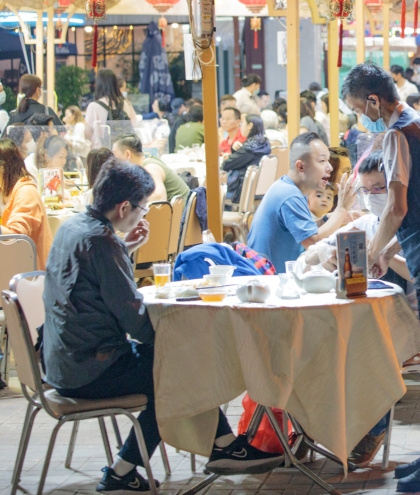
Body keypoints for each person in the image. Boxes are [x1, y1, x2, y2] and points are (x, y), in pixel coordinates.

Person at [43, 159, 283, 493]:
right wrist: (181, 337)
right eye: (142, 208)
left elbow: (93, 284)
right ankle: (123, 471)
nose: (143, 215)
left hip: (60, 362)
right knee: (178, 369)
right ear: (124, 205)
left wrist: (125, 249)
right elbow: (133, 319)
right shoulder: (102, 242)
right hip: (89, 368)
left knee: (176, 362)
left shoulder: (74, 228)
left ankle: (224, 444)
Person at [341, 62, 420, 492]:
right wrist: (390, 248)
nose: (362, 118)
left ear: (374, 100)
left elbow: (397, 208)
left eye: (360, 108)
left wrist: (374, 250)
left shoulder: (397, 135)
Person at [248, 133, 355, 269]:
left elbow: (301, 231)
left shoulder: (287, 187)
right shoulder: (289, 195)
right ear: (300, 166)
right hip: (270, 280)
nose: (330, 168)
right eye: (322, 161)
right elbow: (313, 241)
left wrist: (326, 219)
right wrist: (342, 209)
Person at [0, 138, 53, 268]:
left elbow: (16, 236)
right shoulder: (3, 190)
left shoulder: (27, 192)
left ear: (3, 168)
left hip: (31, 275)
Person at [112, 135, 191, 204]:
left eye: (115, 155)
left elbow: (159, 197)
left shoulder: (151, 167)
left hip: (180, 218)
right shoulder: (146, 164)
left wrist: (129, 201)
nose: (114, 160)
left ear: (127, 154)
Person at [222, 115, 271, 204]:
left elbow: (226, 165)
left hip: (243, 190)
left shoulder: (249, 148)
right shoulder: (264, 143)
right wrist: (235, 149)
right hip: (261, 190)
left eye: (242, 124)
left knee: (213, 193)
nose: (241, 127)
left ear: (250, 126)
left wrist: (233, 153)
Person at [85, 69, 136, 148]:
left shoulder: (94, 106)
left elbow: (88, 133)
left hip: (102, 151)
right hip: (124, 150)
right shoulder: (126, 103)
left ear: (98, 84)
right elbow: (134, 124)